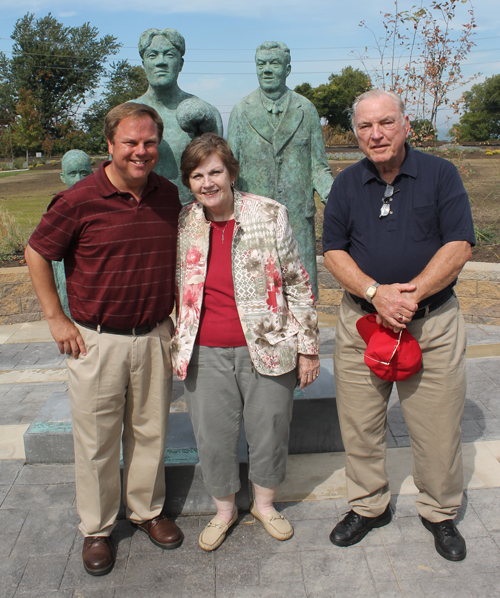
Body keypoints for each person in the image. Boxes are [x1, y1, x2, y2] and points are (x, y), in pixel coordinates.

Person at [25, 102, 183, 576]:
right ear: (110, 145)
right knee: (96, 440)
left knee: (150, 431)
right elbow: (36, 253)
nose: (140, 151)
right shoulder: (78, 200)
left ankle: (148, 512)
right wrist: (56, 318)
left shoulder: (168, 196)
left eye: (149, 142)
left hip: (154, 334)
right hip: (96, 341)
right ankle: (97, 528)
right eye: (130, 142)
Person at [322, 89, 475, 562]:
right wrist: (375, 293)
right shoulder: (345, 183)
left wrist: (411, 294)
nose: (376, 134)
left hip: (430, 323)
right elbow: (333, 250)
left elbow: (460, 243)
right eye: (366, 126)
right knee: (360, 424)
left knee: (437, 427)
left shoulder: (439, 174)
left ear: (406, 124)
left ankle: (439, 511)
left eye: (386, 122)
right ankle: (368, 506)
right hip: (361, 323)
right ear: (356, 133)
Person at [171, 132, 320, 551]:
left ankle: (265, 504)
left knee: (270, 430)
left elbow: (297, 281)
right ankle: (224, 510)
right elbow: (176, 285)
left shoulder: (270, 214)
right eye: (197, 175)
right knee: (213, 435)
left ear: (231, 172)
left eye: (215, 171)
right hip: (204, 351)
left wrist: (308, 347)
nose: (207, 182)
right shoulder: (184, 222)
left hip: (269, 347)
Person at [227, 41, 333, 301]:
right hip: (254, 220)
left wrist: (338, 197)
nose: (267, 70)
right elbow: (229, 168)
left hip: (297, 216)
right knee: (258, 296)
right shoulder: (242, 111)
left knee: (302, 297)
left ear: (288, 69)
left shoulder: (305, 110)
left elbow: (318, 166)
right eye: (261, 64)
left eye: (274, 64)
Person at [133, 27, 223, 206]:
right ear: (143, 63)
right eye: (152, 55)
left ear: (181, 64)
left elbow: (220, 175)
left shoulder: (207, 112)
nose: (161, 62)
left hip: (194, 219)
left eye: (169, 55)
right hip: (143, 218)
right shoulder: (126, 115)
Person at [52, 149, 93, 318]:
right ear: (63, 177)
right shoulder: (56, 212)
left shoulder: (102, 207)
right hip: (69, 301)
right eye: (72, 173)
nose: (78, 180)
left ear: (91, 174)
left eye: (83, 173)